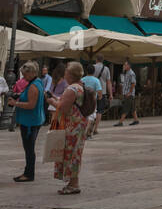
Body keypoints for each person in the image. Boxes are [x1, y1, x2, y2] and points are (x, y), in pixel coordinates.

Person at [49, 61, 90, 195]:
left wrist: (51, 101)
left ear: (70, 74)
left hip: (72, 125)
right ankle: (73, 182)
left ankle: (73, 184)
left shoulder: (71, 88)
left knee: (71, 153)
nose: (64, 73)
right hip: (79, 124)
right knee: (75, 153)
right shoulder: (80, 86)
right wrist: (57, 99)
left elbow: (64, 108)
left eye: (66, 71)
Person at [11, 61, 45, 182]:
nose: (23, 77)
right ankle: (28, 172)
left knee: (29, 149)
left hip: (30, 122)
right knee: (29, 148)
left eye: (24, 74)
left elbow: (31, 105)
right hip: (35, 120)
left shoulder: (33, 86)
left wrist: (15, 103)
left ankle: (29, 174)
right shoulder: (37, 82)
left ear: (31, 73)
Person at [89, 55, 112, 136]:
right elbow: (108, 82)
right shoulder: (106, 69)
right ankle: (95, 129)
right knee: (99, 111)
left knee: (91, 111)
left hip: (91, 92)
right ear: (103, 60)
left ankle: (89, 128)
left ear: (96, 60)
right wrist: (111, 94)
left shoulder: (92, 67)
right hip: (102, 92)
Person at [114, 60, 139, 127]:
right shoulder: (126, 73)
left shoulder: (131, 73)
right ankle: (136, 120)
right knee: (132, 108)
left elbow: (133, 83)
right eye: (124, 65)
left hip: (129, 94)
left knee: (125, 108)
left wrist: (129, 92)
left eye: (125, 65)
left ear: (129, 66)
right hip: (127, 93)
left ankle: (120, 122)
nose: (124, 66)